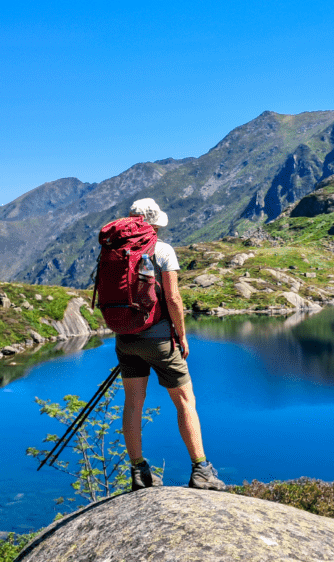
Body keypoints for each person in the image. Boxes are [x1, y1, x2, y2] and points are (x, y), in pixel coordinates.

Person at [115, 198, 224, 491]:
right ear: (154, 223)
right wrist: (182, 334)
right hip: (160, 339)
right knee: (185, 400)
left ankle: (139, 471)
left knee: (133, 402)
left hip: (125, 339)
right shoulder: (161, 250)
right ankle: (201, 470)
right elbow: (174, 299)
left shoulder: (115, 250)